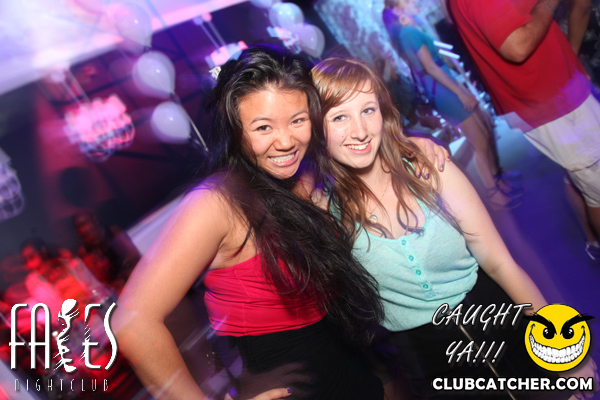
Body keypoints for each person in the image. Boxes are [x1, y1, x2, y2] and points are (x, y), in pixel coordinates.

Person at [311, 57, 598, 399]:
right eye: (339, 117)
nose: (359, 130)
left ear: (383, 113)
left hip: (504, 328)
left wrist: (563, 353)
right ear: (316, 127)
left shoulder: (431, 170)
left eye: (368, 110)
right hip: (432, 368)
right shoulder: (323, 211)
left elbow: (500, 263)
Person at [112, 45, 385, 400]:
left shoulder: (308, 174)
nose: (285, 141)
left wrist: (417, 150)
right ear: (236, 131)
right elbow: (132, 322)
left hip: (354, 371)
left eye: (298, 120)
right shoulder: (215, 203)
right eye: (263, 127)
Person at [448, 0, 600, 261]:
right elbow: (517, 45)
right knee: (595, 183)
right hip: (551, 97)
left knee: (580, 176)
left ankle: (592, 242)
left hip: (553, 93)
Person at [382, 0, 523, 210]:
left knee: (483, 131)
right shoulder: (408, 32)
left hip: (444, 86)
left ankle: (498, 181)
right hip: (443, 90)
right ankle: (493, 193)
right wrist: (460, 93)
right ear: (396, 9)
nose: (413, 1)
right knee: (479, 140)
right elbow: (431, 67)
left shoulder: (408, 30)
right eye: (407, 0)